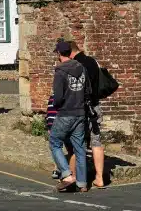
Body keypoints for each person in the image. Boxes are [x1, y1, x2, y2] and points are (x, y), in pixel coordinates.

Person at [49, 40, 89, 193]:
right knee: (79, 148)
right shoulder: (82, 67)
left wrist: (57, 106)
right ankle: (82, 183)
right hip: (80, 112)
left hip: (66, 112)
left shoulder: (60, 71)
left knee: (54, 142)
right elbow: (87, 91)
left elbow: (57, 97)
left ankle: (66, 175)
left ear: (59, 54)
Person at [69, 42, 107, 189]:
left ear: (71, 53)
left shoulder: (75, 65)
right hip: (95, 107)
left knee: (78, 143)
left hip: (81, 108)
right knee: (96, 142)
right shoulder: (92, 61)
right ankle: (99, 178)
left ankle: (75, 177)